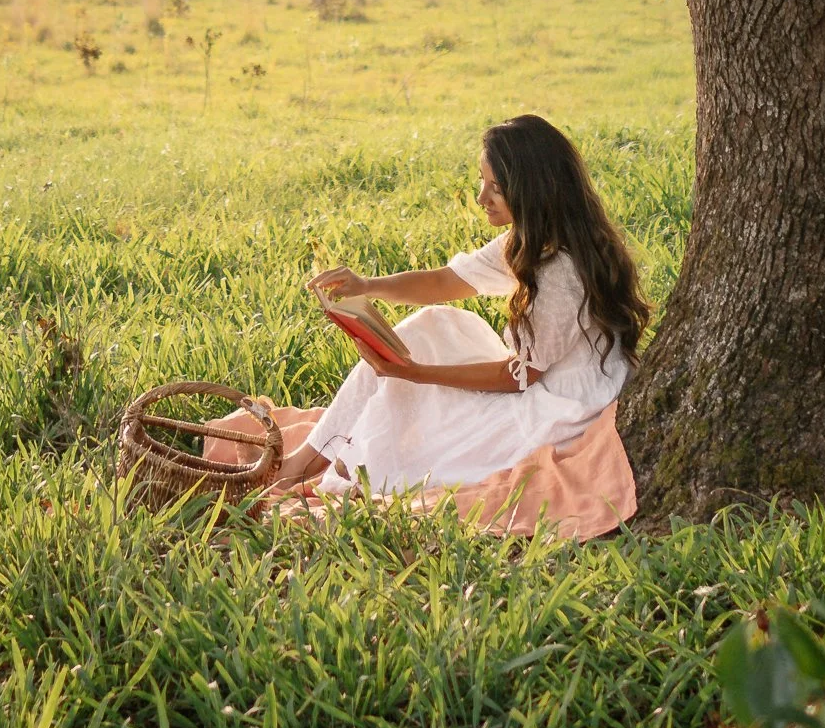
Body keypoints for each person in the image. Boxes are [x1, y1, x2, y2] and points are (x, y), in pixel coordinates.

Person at [269, 113, 650, 499]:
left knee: (419, 424)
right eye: (482, 181)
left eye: (495, 187)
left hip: (562, 407)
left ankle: (311, 465)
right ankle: (305, 458)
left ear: (532, 190)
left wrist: (415, 374)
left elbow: (519, 378)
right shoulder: (531, 240)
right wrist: (366, 286)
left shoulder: (561, 273)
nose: (482, 197)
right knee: (434, 324)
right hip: (540, 379)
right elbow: (443, 282)